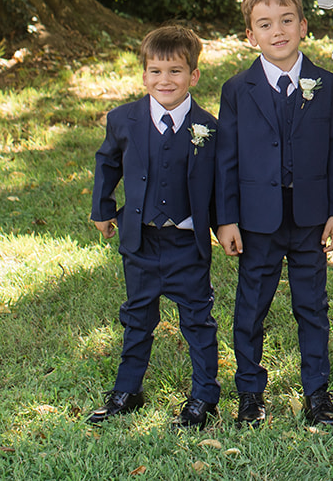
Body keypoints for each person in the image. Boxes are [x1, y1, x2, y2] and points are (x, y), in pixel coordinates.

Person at [215, 0, 333, 428]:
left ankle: (318, 394)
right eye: (265, 24)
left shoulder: (326, 86)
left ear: (303, 26)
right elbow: (227, 159)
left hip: (310, 217)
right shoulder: (237, 90)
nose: (278, 31)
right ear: (250, 36)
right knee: (251, 307)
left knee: (312, 306)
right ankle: (250, 394)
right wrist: (227, 219)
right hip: (257, 220)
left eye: (287, 20)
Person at [88, 25, 222, 429]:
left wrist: (225, 226)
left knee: (197, 318)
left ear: (193, 76)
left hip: (186, 240)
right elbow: (107, 163)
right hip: (141, 239)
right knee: (138, 315)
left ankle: (203, 396)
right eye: (156, 72)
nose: (165, 80)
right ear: (144, 75)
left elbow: (221, 181)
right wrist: (103, 207)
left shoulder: (208, 127)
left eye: (176, 71)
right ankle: (128, 389)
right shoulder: (123, 119)